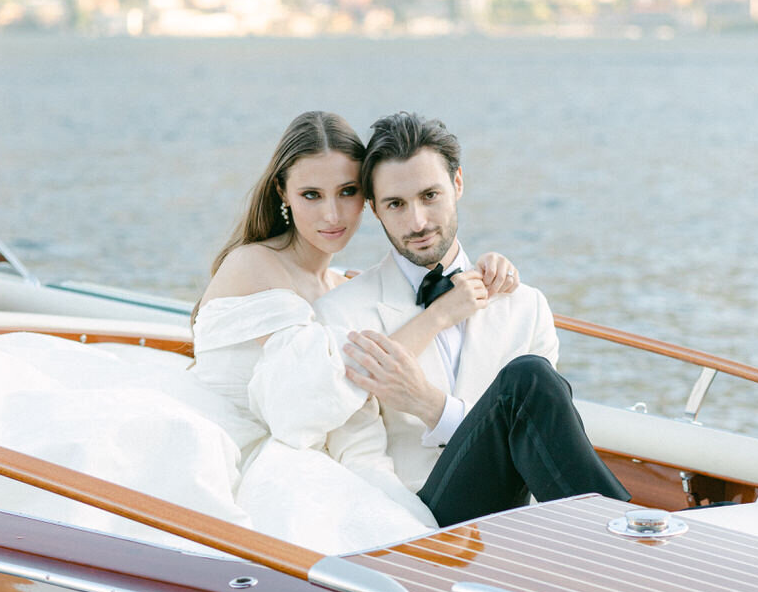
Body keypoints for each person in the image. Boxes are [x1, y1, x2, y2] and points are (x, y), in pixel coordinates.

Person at [190, 109, 522, 551]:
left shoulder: (339, 287)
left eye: (347, 192)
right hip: (242, 448)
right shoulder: (254, 265)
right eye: (311, 194)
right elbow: (318, 392)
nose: (332, 214)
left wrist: (488, 269)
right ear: (281, 193)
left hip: (327, 447)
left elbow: (353, 409)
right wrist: (440, 315)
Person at [314, 111, 629, 527]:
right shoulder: (343, 313)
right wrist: (403, 539)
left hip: (517, 519)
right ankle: (631, 537)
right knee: (527, 378)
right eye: (396, 204)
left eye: (430, 196)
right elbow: (356, 458)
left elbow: (546, 441)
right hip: (418, 520)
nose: (418, 222)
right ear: (374, 209)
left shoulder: (525, 307)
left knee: (529, 379)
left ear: (458, 183)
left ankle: (621, 539)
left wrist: (432, 407)